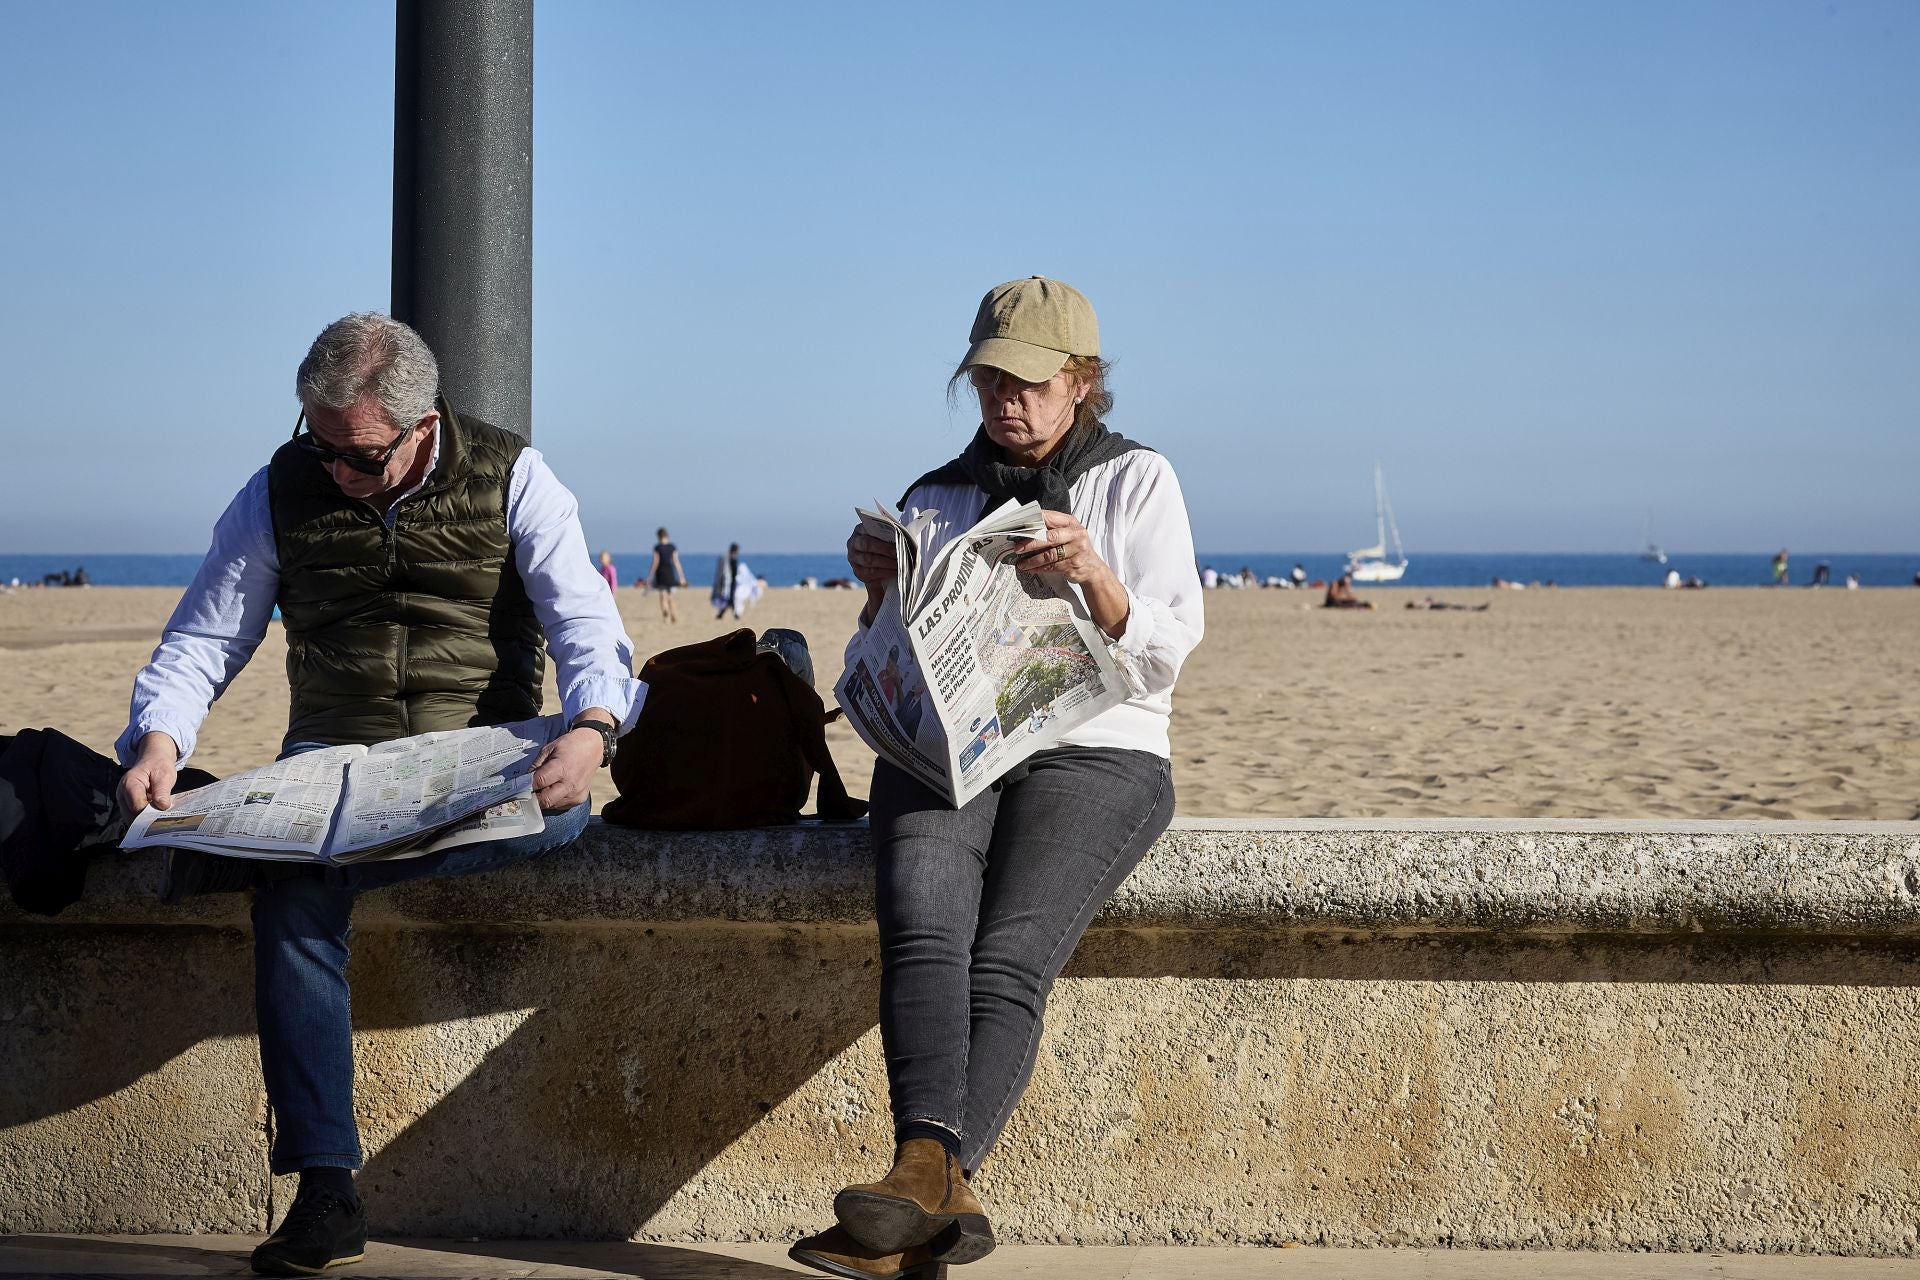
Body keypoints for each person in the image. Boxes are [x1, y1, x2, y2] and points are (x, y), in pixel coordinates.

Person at [113, 314, 645, 1277]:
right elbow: (204, 638)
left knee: (561, 812)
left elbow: (586, 624)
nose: (336, 471)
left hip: (476, 756)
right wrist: (158, 735)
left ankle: (333, 855)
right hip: (332, 757)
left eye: (358, 456)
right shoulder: (281, 486)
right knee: (292, 890)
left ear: (423, 422)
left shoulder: (516, 476)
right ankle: (326, 1190)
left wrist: (592, 729)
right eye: (320, 445)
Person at [793, 277, 1203, 1279]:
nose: (1004, 401)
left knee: (1011, 953)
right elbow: (896, 655)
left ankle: (914, 1193)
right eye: (986, 381)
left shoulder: (1138, 480)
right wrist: (883, 590)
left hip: (1102, 746)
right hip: (952, 745)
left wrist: (1096, 576)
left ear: (1083, 382)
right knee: (923, 922)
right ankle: (933, 1189)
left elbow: (1168, 651)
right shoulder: (937, 494)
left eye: (1027, 382)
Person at [647, 527, 688, 622]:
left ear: (658, 536)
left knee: (662, 596)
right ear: (667, 535)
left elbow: (655, 562)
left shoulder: (657, 547)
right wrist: (682, 577)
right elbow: (676, 562)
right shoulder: (672, 547)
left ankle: (666, 617)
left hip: (661, 573)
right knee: (670, 596)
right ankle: (673, 614)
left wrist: (650, 575)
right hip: (670, 573)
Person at [712, 542, 752, 619]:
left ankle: (724, 615)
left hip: (731, 583)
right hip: (730, 583)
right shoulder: (730, 559)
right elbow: (729, 572)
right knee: (730, 600)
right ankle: (733, 615)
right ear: (735, 550)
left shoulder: (728, 558)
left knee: (730, 600)